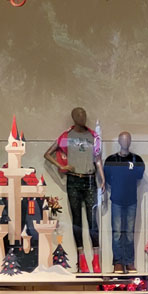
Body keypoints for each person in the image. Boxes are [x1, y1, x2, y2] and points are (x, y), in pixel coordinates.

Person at [44, 108, 106, 274]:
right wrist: (62, 166)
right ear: (73, 117)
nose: (82, 117)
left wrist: (102, 178)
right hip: (73, 179)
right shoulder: (66, 136)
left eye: (84, 114)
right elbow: (48, 154)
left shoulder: (93, 136)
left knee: (93, 221)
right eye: (79, 115)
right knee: (77, 220)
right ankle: (82, 260)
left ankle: (96, 259)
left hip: (90, 179)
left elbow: (97, 159)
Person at [103, 132, 145, 273]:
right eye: (123, 140)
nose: (125, 142)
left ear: (131, 141)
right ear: (119, 141)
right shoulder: (111, 160)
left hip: (131, 200)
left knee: (129, 232)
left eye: (128, 140)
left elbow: (139, 176)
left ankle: (129, 262)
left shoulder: (136, 159)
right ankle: (118, 262)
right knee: (117, 232)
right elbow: (107, 178)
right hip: (116, 199)